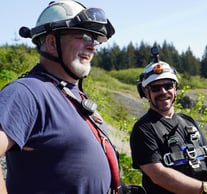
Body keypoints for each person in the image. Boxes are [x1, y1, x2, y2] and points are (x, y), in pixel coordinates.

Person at [0, 0, 119, 194]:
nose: (92, 46)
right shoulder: (26, 92)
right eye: (85, 35)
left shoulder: (73, 96)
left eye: (94, 40)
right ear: (52, 43)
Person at [130, 48, 207, 194]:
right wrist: (205, 189)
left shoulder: (188, 122)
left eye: (168, 85)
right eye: (155, 88)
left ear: (175, 88)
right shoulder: (143, 129)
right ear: (146, 93)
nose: (163, 92)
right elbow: (158, 175)